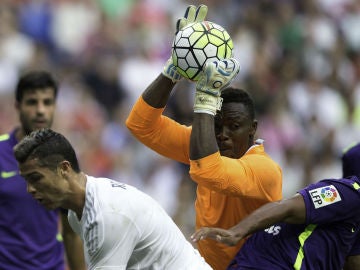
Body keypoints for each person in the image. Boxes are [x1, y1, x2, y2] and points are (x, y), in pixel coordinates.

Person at [125, 4, 282, 270]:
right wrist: (176, 67)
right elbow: (141, 125)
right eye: (216, 124)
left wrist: (207, 98)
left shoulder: (265, 170)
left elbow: (209, 171)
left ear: (253, 129)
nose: (223, 135)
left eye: (234, 126)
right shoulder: (204, 146)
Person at [13, 128, 212, 270]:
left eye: (36, 178)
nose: (30, 189)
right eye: (26, 180)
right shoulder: (77, 210)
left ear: (64, 169)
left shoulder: (108, 214)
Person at [191, 142, 360, 270]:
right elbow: (287, 207)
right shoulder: (349, 193)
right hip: (269, 263)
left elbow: (353, 262)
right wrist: (237, 231)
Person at [0, 71, 86, 269]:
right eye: (32, 102)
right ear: (17, 106)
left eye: (47, 102)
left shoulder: (64, 158)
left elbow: (71, 232)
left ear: (55, 107)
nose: (40, 110)